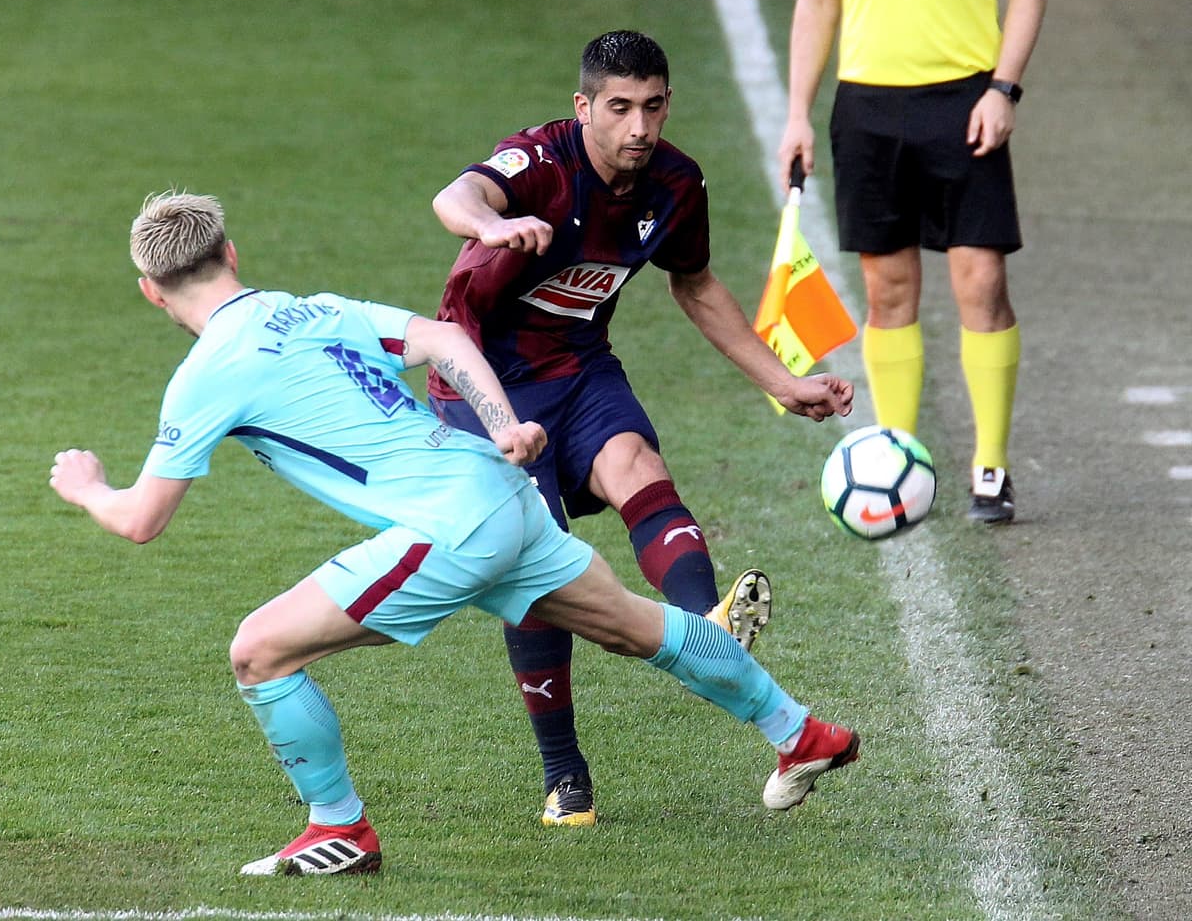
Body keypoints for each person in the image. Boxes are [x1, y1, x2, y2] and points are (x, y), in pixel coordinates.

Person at [48, 191, 860, 876]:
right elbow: (440, 337)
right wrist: (505, 424)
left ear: (152, 292)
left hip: (449, 527)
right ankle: (799, 731)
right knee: (636, 626)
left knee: (258, 653)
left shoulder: (204, 376)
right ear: (231, 250)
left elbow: (142, 520)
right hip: (498, 486)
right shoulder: (314, 308)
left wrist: (88, 490)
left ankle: (340, 826)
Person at [429, 30, 854, 825]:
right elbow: (457, 197)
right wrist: (488, 228)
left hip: (579, 369)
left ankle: (708, 624)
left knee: (638, 468)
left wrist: (784, 382)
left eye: (652, 107)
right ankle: (565, 777)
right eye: (618, 108)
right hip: (482, 383)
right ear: (584, 106)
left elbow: (694, 285)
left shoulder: (674, 183)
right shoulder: (542, 164)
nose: (637, 128)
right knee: (538, 573)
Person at [778, 0, 1046, 524]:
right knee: (888, 291)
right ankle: (895, 456)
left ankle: (990, 467)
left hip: (967, 98)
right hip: (867, 110)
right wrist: (797, 114)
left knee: (982, 280)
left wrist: (1003, 88)